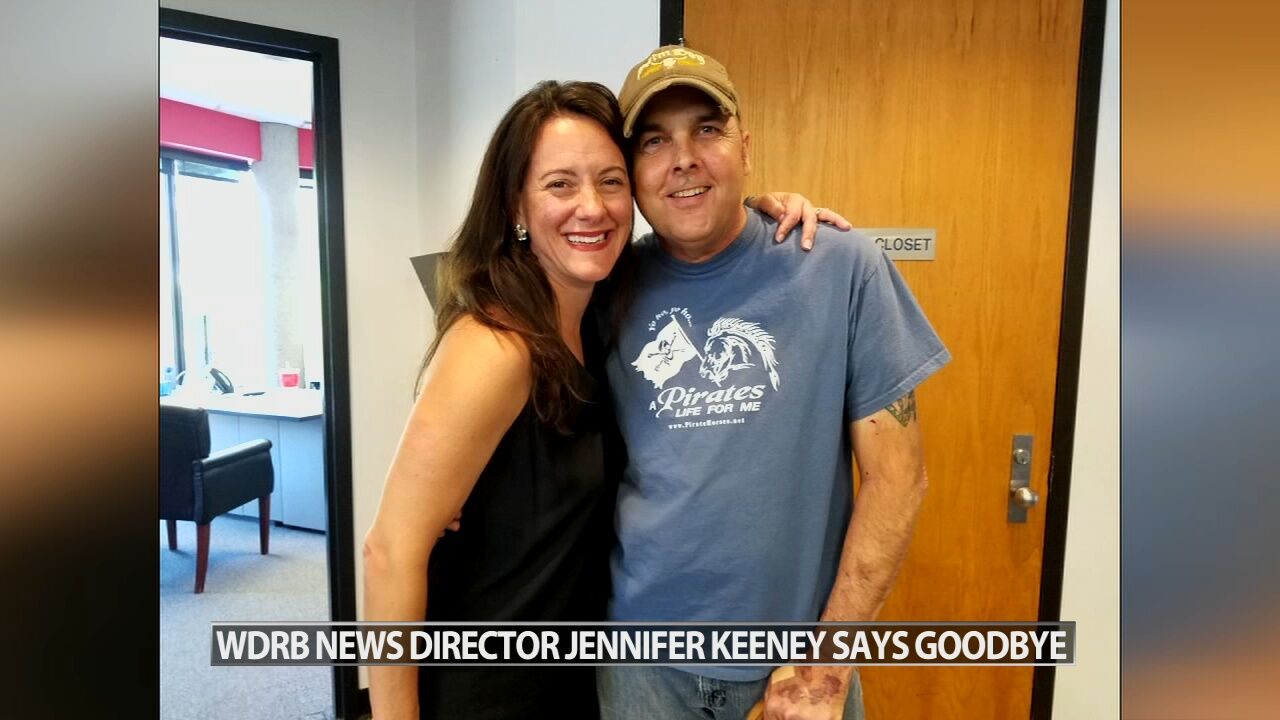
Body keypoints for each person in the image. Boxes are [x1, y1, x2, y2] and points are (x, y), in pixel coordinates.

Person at [362, 79, 844, 720]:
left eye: (610, 181)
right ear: (515, 206)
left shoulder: (600, 317)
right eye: (560, 185)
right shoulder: (497, 346)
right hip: (492, 691)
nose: (591, 207)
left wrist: (755, 211)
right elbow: (389, 552)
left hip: (577, 679)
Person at [597, 46, 952, 720]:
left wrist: (827, 666)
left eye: (707, 129)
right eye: (654, 140)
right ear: (632, 173)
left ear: (747, 148)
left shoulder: (841, 268)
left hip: (796, 671)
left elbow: (897, 478)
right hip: (642, 667)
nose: (683, 159)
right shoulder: (606, 290)